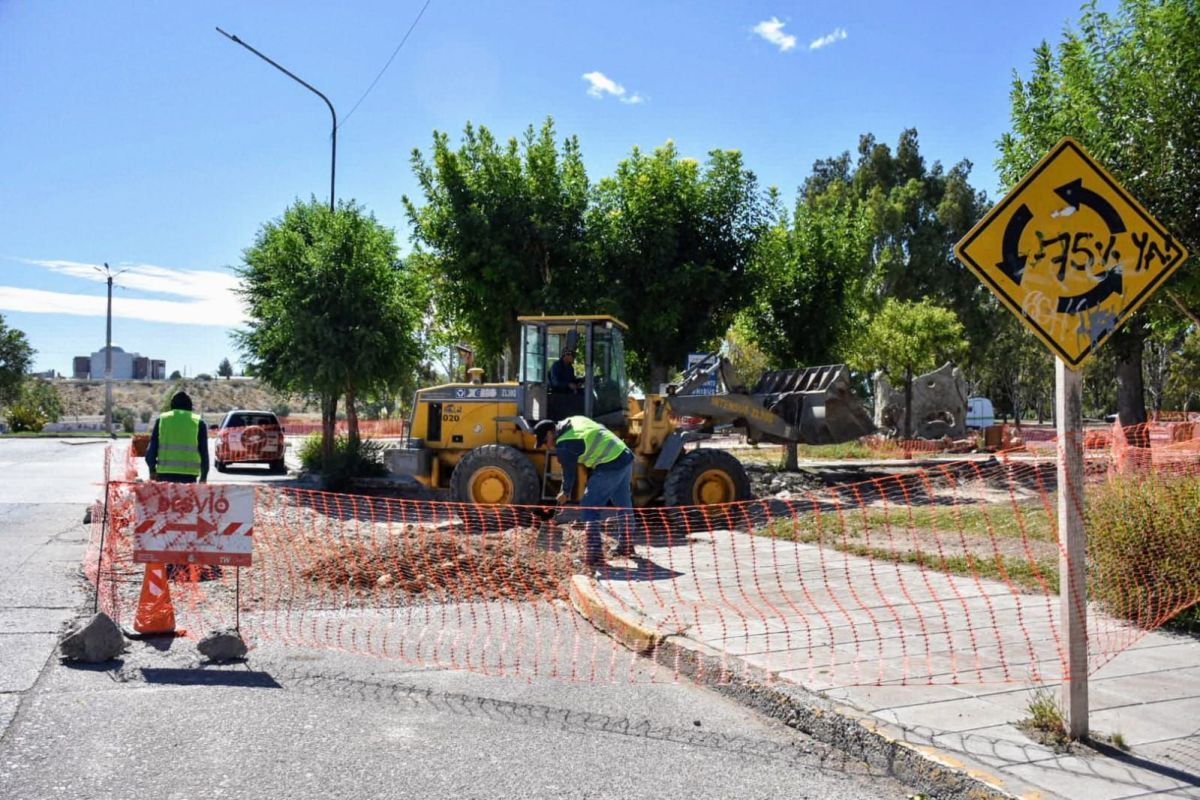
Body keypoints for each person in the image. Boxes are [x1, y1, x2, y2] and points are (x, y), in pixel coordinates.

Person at [535, 416, 635, 568]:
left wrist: (565, 492)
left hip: (610, 463)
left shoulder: (564, 444)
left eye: (544, 442)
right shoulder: (573, 420)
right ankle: (626, 546)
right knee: (622, 503)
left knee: (589, 506)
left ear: (550, 434)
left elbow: (569, 473)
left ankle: (594, 555)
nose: (547, 447)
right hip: (624, 454)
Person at [145, 391, 209, 483]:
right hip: (189, 477)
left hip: (164, 475)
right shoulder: (199, 422)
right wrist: (203, 477)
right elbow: (204, 454)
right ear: (190, 407)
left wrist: (152, 470)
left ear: (172, 407)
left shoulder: (162, 420)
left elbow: (151, 451)